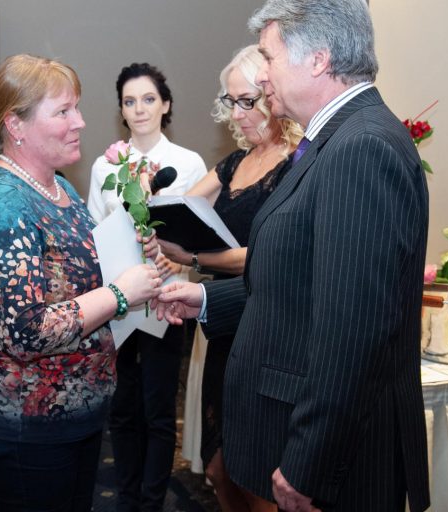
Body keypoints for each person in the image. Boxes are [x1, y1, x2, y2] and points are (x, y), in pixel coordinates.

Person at [153, 1, 431, 511]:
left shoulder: (361, 147)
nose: (262, 77)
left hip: (339, 460)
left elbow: (353, 329)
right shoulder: (332, 140)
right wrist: (209, 300)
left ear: (318, 59)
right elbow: (305, 280)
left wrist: (309, 461)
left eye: (269, 57)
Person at [0, 54, 163, 512]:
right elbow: (26, 331)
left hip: (74, 409)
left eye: (77, 108)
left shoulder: (58, 187)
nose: (80, 122)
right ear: (16, 125)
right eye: (63, 111)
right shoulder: (2, 206)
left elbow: (78, 274)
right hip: (27, 418)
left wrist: (135, 259)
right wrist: (120, 294)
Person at [157, 44, 302, 512]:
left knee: (258, 479)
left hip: (266, 328)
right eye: (230, 101)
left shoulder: (299, 163)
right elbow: (178, 210)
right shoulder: (235, 163)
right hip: (222, 328)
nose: (235, 114)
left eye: (245, 101)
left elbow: (269, 256)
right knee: (218, 469)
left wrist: (196, 258)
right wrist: (148, 214)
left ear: (272, 94)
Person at [86, 62, 206, 511]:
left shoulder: (188, 164)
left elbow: (200, 235)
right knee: (121, 408)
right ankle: (127, 498)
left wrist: (177, 261)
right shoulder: (104, 166)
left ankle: (152, 502)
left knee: (158, 409)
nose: (139, 109)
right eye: (130, 101)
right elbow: (95, 231)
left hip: (165, 299)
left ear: (166, 105)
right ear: (121, 109)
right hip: (117, 301)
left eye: (149, 99)